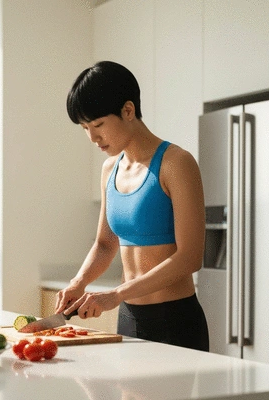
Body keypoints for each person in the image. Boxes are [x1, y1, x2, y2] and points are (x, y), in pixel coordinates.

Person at [56, 61, 209, 351]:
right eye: (85, 127)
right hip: (129, 319)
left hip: (176, 321)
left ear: (128, 111)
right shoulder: (109, 169)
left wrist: (115, 294)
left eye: (98, 124)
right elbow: (105, 243)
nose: (92, 137)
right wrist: (79, 282)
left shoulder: (176, 163)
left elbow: (190, 258)